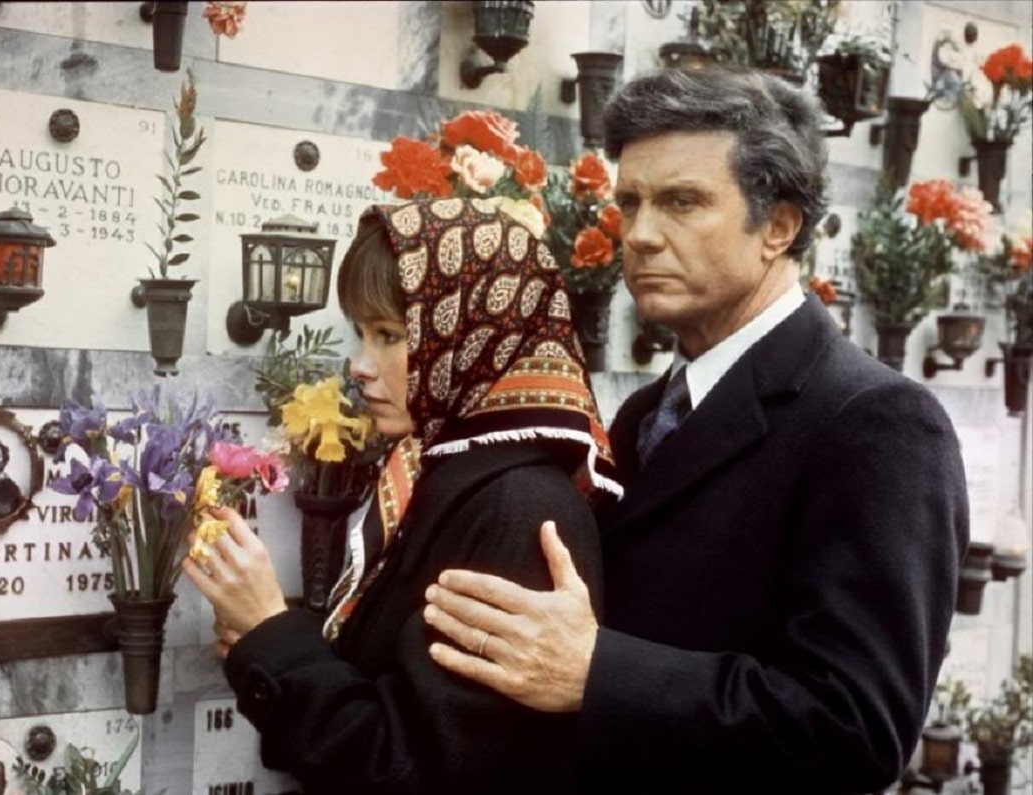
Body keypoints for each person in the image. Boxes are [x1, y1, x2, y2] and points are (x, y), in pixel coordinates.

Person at [423, 68, 969, 794]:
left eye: (682, 202)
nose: (640, 235)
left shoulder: (876, 421)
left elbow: (857, 726)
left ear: (778, 227)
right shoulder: (646, 413)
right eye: (630, 202)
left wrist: (596, 672)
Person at [184, 197, 623, 794]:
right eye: (361, 333)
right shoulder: (440, 474)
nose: (360, 366)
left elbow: (411, 772)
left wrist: (271, 630)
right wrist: (269, 638)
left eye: (389, 335)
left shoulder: (519, 511)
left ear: (472, 334)